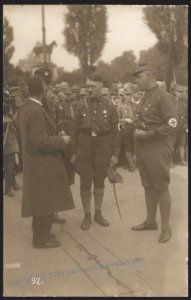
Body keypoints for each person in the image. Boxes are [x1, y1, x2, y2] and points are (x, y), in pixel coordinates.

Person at [17, 75, 74, 249]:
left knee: (40, 201)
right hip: (42, 163)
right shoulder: (35, 110)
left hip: (36, 163)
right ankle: (41, 240)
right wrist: (61, 140)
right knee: (45, 201)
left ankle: (42, 234)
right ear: (42, 90)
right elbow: (39, 141)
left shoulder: (28, 107)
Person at [132, 63, 178, 243]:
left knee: (161, 187)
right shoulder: (145, 97)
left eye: (139, 77)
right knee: (148, 186)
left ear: (150, 76)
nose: (136, 80)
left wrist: (148, 133)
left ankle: (166, 228)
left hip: (158, 148)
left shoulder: (163, 97)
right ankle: (151, 221)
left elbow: (173, 125)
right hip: (143, 148)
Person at [73, 81, 120, 230]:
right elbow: (74, 130)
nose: (90, 89)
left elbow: (115, 130)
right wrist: (74, 152)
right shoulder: (80, 106)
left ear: (101, 88)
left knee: (100, 180)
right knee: (85, 180)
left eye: (93, 87)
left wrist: (115, 153)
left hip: (103, 145)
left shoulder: (110, 106)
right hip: (84, 145)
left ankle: (98, 213)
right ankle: (87, 214)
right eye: (87, 87)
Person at [34, 68, 67, 224]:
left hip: (53, 140)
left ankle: (52, 213)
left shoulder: (49, 98)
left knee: (54, 181)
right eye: (44, 83)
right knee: (44, 185)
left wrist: (59, 130)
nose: (47, 87)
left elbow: (57, 116)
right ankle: (44, 217)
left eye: (48, 83)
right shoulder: (37, 99)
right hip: (44, 145)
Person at [55, 87, 76, 185]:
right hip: (66, 130)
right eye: (67, 94)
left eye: (70, 94)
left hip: (73, 130)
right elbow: (59, 119)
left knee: (73, 154)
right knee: (66, 155)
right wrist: (62, 129)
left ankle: (71, 179)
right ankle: (65, 179)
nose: (68, 96)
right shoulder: (61, 105)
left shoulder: (74, 104)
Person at [3, 91, 20, 197]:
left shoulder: (10, 109)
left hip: (10, 141)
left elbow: (15, 121)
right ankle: (9, 186)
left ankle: (10, 185)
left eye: (7, 97)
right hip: (5, 139)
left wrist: (11, 110)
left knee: (11, 164)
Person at [117, 87, 135, 171]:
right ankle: (131, 165)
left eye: (130, 94)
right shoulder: (120, 106)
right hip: (125, 127)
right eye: (126, 95)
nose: (128, 97)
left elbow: (138, 116)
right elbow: (117, 119)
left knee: (136, 144)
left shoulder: (135, 105)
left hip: (135, 126)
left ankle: (131, 162)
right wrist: (125, 120)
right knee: (128, 145)